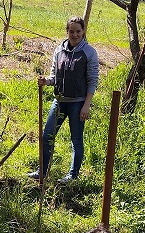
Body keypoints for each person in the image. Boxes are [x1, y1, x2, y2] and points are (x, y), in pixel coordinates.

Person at [29, 16, 99, 185]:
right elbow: (54, 76)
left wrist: (86, 105)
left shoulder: (89, 52)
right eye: (71, 31)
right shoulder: (59, 50)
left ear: (83, 32)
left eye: (78, 31)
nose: (75, 35)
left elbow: (93, 80)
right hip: (59, 101)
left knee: (76, 139)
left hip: (78, 103)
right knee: (47, 136)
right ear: (67, 31)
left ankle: (72, 175)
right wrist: (46, 81)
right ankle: (42, 171)